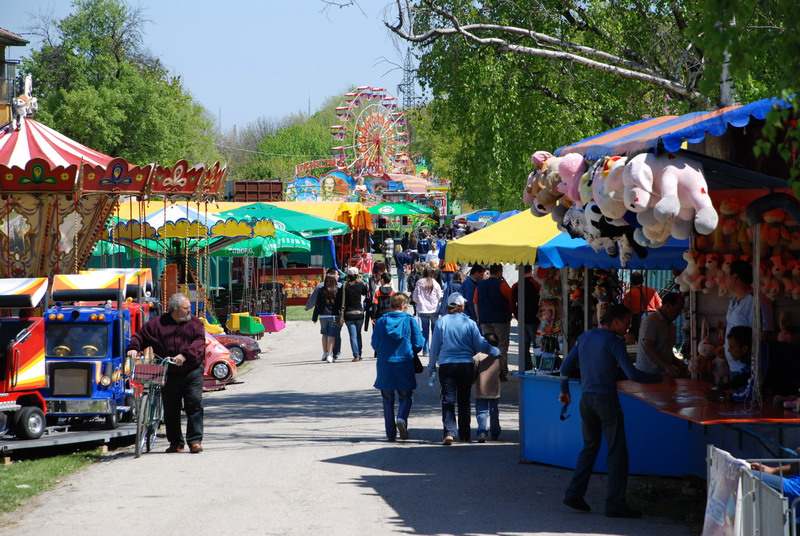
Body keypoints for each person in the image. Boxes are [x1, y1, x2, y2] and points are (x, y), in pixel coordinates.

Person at [559, 304, 666, 518]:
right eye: (626, 322)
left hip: (586, 400)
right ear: (615, 322)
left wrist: (565, 391)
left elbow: (565, 368)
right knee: (617, 451)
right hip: (605, 400)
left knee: (589, 447)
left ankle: (574, 493)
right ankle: (615, 503)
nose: (628, 326)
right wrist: (660, 379)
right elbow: (632, 374)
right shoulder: (614, 342)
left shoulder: (585, 337)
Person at [126, 293, 206, 453]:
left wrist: (185, 355)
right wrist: (133, 349)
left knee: (194, 404)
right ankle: (176, 443)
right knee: (171, 408)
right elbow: (139, 336)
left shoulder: (195, 323)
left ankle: (195, 441)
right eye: (186, 308)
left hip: (192, 371)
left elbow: (199, 342)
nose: (190, 310)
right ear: (175, 310)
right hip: (167, 372)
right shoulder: (157, 324)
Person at [428, 292, 499, 445]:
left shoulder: (442, 322)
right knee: (464, 400)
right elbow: (480, 344)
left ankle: (449, 433)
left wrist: (431, 365)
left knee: (447, 399)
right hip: (465, 365)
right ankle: (465, 433)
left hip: (446, 365)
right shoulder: (469, 323)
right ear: (461, 306)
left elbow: (435, 347)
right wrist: (495, 351)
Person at [372, 293, 425, 441]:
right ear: (402, 305)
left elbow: (374, 343)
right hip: (404, 363)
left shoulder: (382, 321)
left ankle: (390, 433)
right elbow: (419, 344)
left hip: (385, 364)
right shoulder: (409, 320)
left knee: (387, 399)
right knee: (406, 396)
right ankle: (401, 418)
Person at [725, 259, 774, 379]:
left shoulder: (756, 301)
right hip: (734, 368)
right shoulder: (733, 301)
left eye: (727, 276)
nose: (725, 280)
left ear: (735, 277)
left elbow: (765, 335)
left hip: (748, 371)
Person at [634, 292, 687, 378]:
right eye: (677, 309)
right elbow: (648, 346)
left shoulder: (671, 326)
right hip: (648, 374)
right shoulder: (651, 321)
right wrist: (667, 366)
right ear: (668, 305)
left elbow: (667, 351)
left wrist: (680, 364)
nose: (679, 313)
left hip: (663, 374)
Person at [474, 264, 514, 377]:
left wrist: (479, 317)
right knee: (502, 346)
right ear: (500, 272)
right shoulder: (502, 285)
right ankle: (501, 371)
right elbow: (510, 300)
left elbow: (475, 302)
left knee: (488, 345)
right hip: (501, 320)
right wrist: (511, 313)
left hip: (485, 319)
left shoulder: (480, 285)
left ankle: (488, 370)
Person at [306, 268, 343, 360]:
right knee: (332, 335)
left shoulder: (321, 289)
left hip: (323, 316)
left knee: (324, 334)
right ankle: (330, 355)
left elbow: (317, 304)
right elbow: (340, 304)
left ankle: (325, 353)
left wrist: (314, 317)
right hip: (334, 315)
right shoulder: (338, 289)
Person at [474, 332, 504, 442]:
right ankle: (495, 431)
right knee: (494, 410)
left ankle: (482, 431)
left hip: (481, 389)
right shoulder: (499, 357)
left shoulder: (478, 357)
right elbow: (503, 370)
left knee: (482, 411)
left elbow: (474, 370)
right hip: (495, 388)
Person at [512, 265, 540, 371]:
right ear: (531, 270)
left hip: (523, 320)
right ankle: (540, 367)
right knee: (537, 345)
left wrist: (517, 316)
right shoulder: (536, 284)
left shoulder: (515, 285)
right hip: (535, 320)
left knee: (524, 346)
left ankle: (526, 368)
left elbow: (512, 303)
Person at [337, 267, 368, 362]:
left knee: (352, 335)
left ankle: (356, 355)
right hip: (359, 313)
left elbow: (339, 299)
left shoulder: (344, 286)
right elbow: (365, 293)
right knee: (358, 334)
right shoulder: (360, 285)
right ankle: (360, 352)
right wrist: (360, 280)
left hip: (348, 314)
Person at [411, 266, 443, 356]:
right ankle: (435, 349)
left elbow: (415, 297)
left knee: (424, 331)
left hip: (423, 310)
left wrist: (420, 303)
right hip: (434, 310)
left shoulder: (419, 282)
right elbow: (440, 296)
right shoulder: (435, 283)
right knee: (435, 331)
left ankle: (425, 351)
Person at [621, 272, 661, 342]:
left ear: (631, 282)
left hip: (638, 319)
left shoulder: (629, 294)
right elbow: (660, 305)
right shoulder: (652, 291)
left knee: (640, 340)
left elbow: (625, 310)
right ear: (642, 281)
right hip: (653, 317)